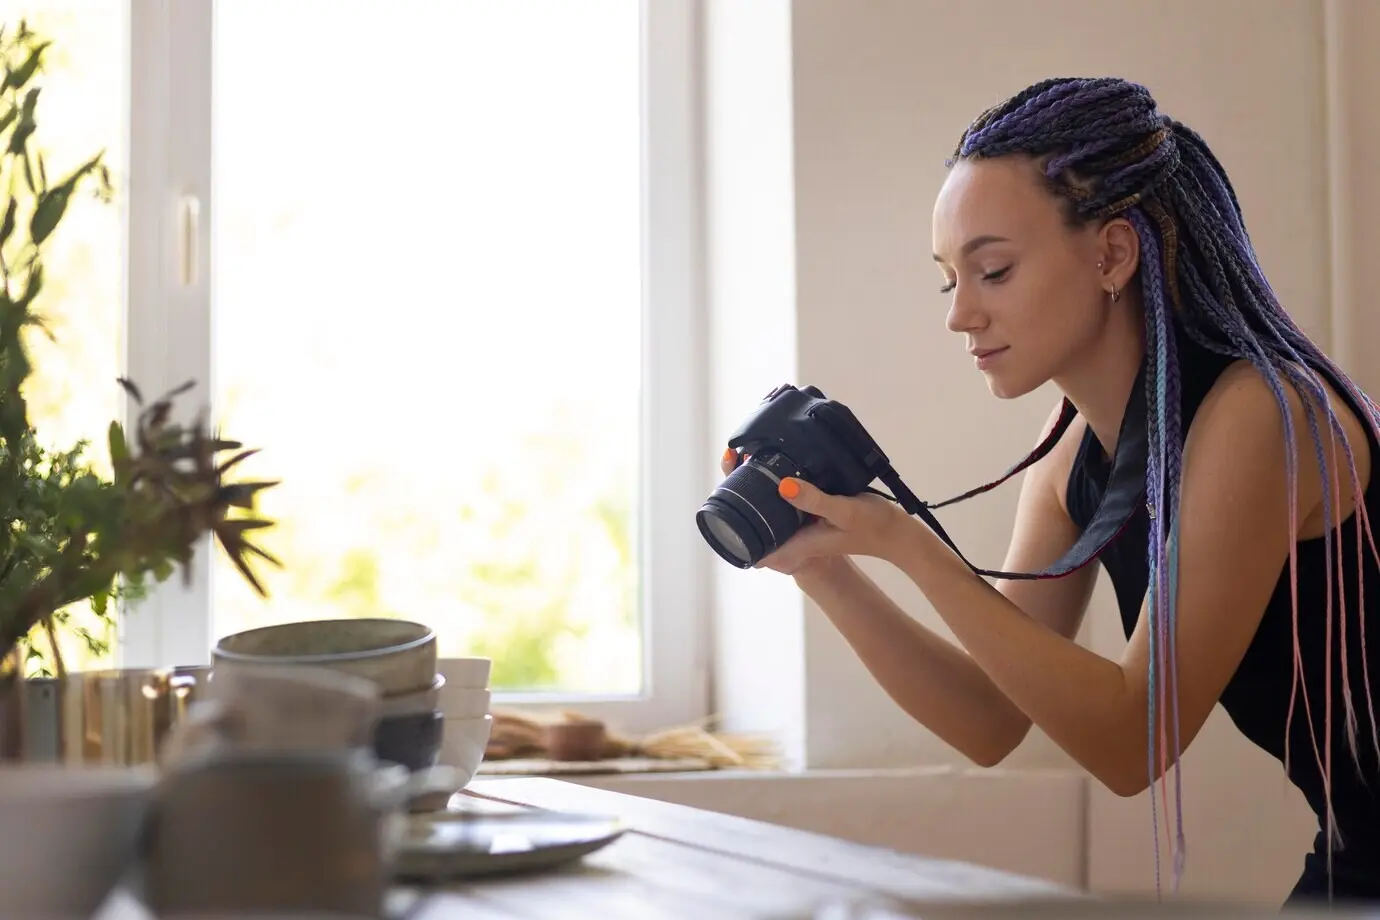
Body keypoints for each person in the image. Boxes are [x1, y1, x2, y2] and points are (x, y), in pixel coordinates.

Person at [721, 77, 1380, 907]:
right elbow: (991, 721)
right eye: (947, 279)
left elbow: (1131, 743)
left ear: (1110, 254)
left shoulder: (1263, 415)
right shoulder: (1071, 454)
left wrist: (910, 546)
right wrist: (827, 567)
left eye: (992, 270)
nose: (960, 314)